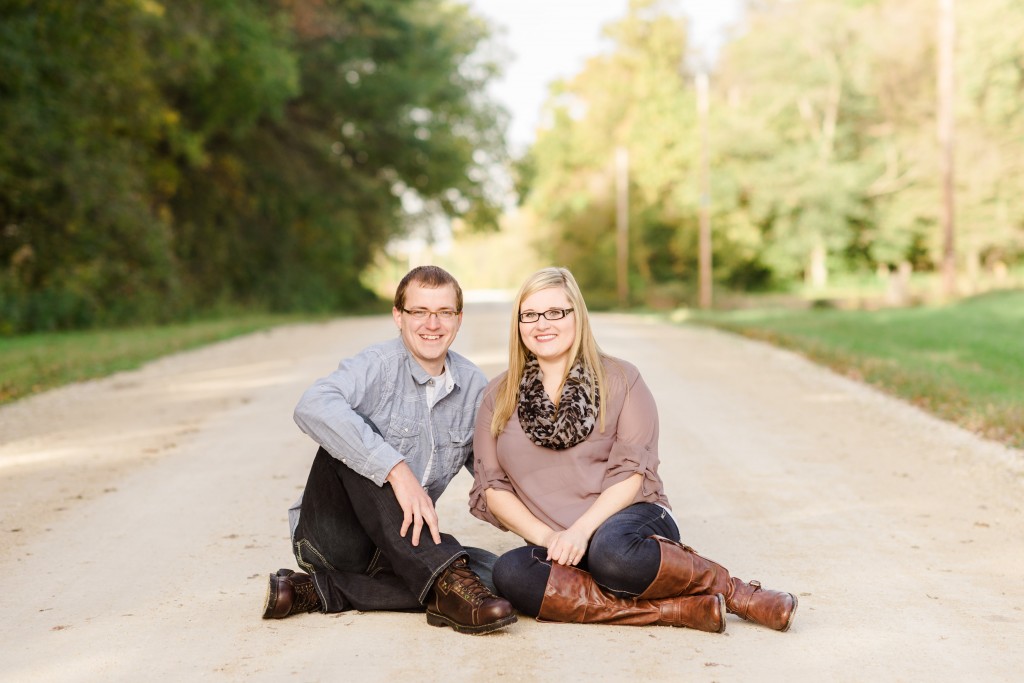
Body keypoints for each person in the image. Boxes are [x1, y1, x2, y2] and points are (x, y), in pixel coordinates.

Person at [469, 267, 797, 632]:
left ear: (577, 315)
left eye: (556, 312)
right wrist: (551, 538)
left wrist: (580, 532)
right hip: (558, 545)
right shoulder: (497, 396)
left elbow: (632, 474)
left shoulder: (622, 379)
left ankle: (738, 594)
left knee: (610, 554)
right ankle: (675, 611)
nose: (542, 324)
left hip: (626, 526)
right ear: (518, 324)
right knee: (510, 572)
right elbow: (493, 488)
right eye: (529, 315)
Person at [262, 265, 516, 635]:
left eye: (444, 312)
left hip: (401, 549)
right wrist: (396, 470)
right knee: (356, 435)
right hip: (335, 539)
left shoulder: (474, 386)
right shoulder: (377, 365)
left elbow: (495, 476)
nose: (433, 324)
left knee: (503, 578)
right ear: (399, 316)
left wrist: (557, 535)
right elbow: (313, 404)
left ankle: (321, 590)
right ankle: (443, 576)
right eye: (420, 312)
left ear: (458, 320)